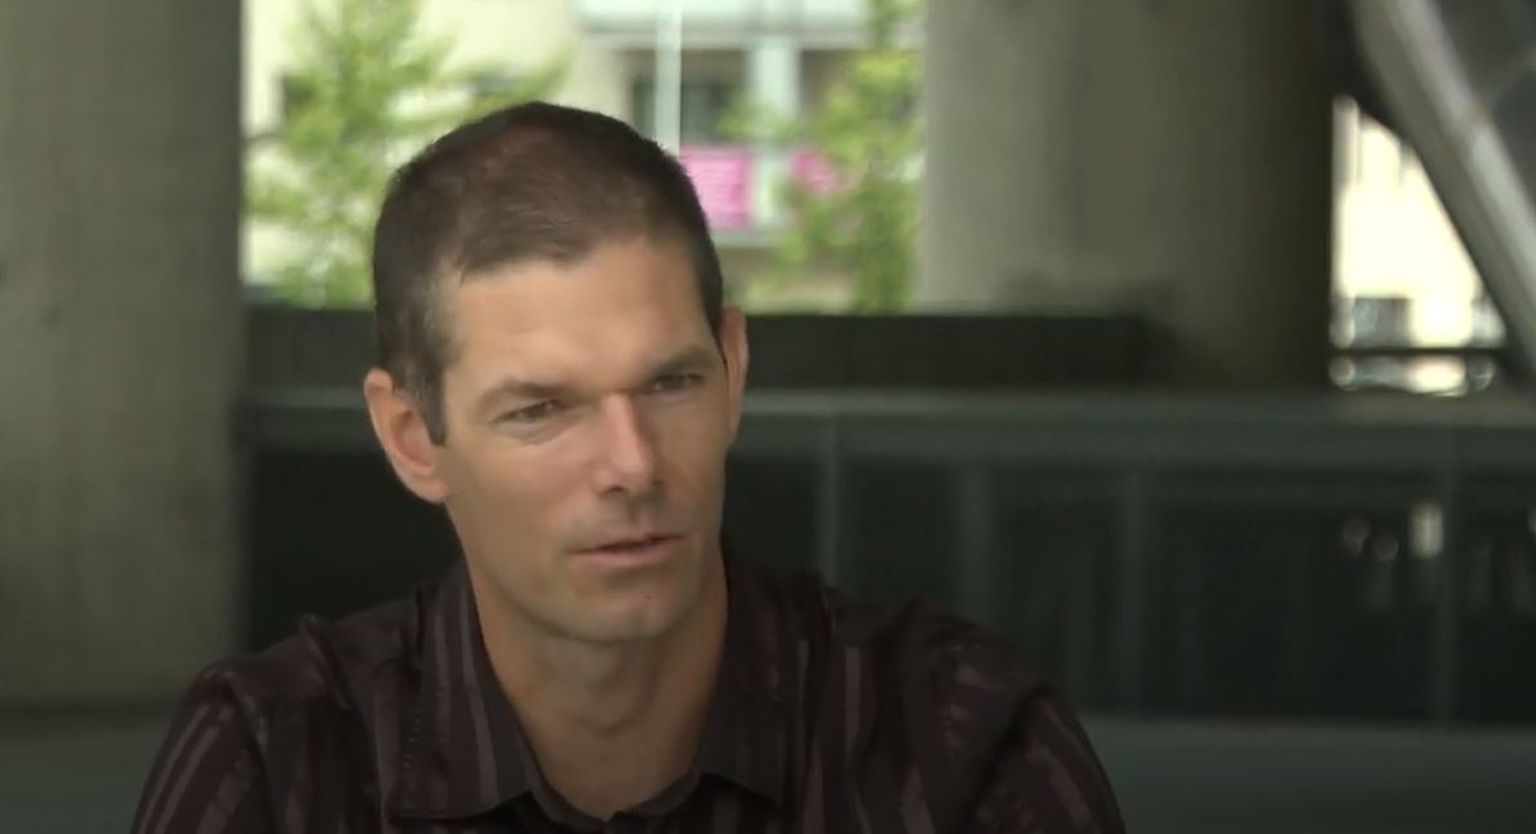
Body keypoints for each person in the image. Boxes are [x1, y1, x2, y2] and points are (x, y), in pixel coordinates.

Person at [132, 102, 1123, 834]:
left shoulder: (960, 744)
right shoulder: (279, 765)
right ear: (412, 437)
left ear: (734, 372)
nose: (633, 464)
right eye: (540, 410)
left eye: (670, 383)